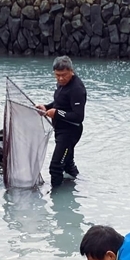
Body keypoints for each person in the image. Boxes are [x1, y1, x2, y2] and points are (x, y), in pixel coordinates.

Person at [37, 56, 86, 188]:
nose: (60, 79)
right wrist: (46, 107)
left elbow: (78, 116)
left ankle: (56, 195)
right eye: (57, 75)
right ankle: (79, 185)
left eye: (64, 75)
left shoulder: (77, 89)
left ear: (71, 71)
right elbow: (60, 102)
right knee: (67, 163)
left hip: (70, 132)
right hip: (60, 129)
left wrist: (56, 113)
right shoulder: (62, 84)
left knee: (56, 166)